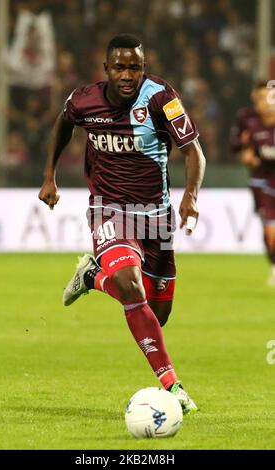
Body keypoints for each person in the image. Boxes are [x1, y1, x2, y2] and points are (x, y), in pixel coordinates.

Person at [39, 34, 206, 413]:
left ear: (143, 69)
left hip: (157, 220)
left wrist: (190, 197)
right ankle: (172, 386)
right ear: (106, 70)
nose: (127, 75)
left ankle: (94, 277)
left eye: (135, 67)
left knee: (157, 316)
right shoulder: (83, 100)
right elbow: (61, 127)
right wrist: (49, 175)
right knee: (132, 289)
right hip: (109, 210)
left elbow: (194, 151)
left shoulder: (162, 98)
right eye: (120, 67)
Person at [231, 81, 275, 286]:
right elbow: (241, 149)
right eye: (261, 97)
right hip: (262, 180)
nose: (265, 102)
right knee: (271, 233)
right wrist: (248, 156)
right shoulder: (247, 119)